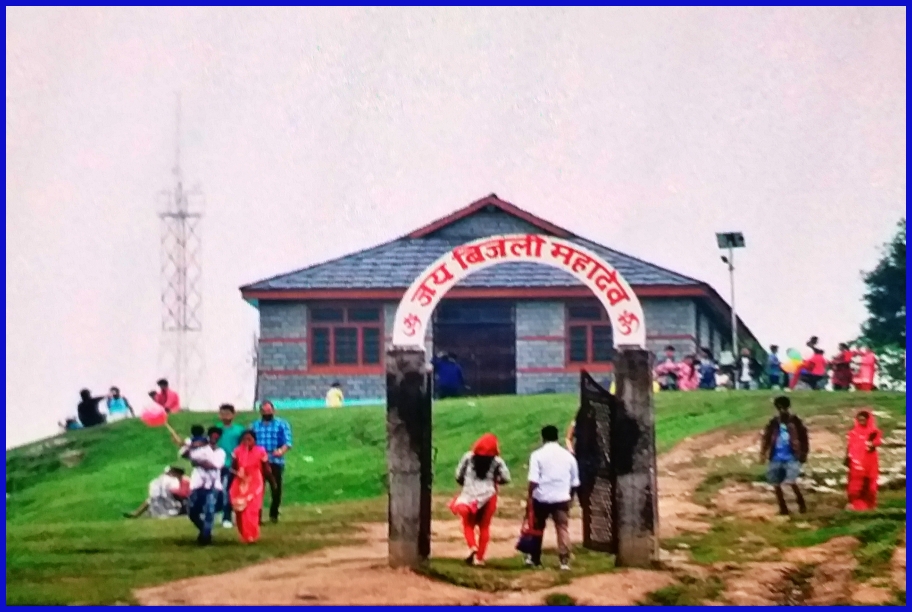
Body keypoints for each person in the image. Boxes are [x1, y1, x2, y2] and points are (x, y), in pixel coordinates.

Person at [448, 433, 510, 566]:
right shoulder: (497, 461)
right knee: (484, 527)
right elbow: (506, 478)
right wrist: (495, 480)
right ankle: (480, 558)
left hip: (470, 496)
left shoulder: (468, 457)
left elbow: (458, 475)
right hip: (488, 496)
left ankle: (472, 546)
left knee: (467, 524)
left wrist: (465, 482)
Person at [526, 425, 580, 570]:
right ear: (557, 437)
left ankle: (535, 558)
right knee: (562, 528)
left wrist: (530, 496)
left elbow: (533, 480)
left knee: (538, 528)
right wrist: (571, 497)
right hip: (562, 497)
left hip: (541, 497)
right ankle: (564, 561)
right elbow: (575, 482)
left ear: (543, 438)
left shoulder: (537, 455)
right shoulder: (568, 456)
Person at [759, 396, 809, 515]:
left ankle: (801, 503)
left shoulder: (795, 421)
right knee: (776, 483)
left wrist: (803, 453)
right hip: (776, 455)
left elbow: (803, 438)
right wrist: (763, 452)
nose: (782, 410)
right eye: (780, 408)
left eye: (783, 408)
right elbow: (766, 437)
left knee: (791, 481)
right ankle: (783, 507)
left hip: (791, 455)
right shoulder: (774, 422)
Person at [179, 425, 225, 545]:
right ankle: (205, 530)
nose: (214, 438)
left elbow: (216, 465)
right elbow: (186, 455)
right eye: (212, 436)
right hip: (198, 484)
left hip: (213, 485)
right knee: (192, 511)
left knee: (210, 509)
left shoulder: (221, 452)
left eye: (217, 436)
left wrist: (200, 462)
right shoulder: (200, 448)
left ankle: (205, 536)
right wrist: (189, 446)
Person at [229, 430, 277, 543]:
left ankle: (251, 535)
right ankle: (244, 534)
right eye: (244, 439)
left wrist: (272, 482)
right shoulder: (237, 451)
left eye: (249, 439)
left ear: (254, 440)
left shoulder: (260, 451)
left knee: (252, 509)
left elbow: (266, 468)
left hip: (255, 482)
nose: (246, 442)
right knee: (239, 510)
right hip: (240, 482)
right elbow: (233, 467)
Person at [251, 401, 293, 524]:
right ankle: (256, 516)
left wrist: (281, 451)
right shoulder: (254, 426)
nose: (267, 413)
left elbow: (288, 442)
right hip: (258, 461)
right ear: (261, 412)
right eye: (265, 411)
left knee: (276, 488)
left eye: (269, 411)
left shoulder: (281, 424)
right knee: (257, 489)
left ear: (273, 411)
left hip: (275, 460)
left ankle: (273, 514)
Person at [215, 404, 246, 529]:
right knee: (219, 492)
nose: (225, 416)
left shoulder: (239, 430)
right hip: (218, 465)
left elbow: (243, 447)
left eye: (228, 413)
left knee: (230, 491)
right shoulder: (216, 429)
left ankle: (228, 517)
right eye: (222, 413)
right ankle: (219, 515)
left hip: (233, 465)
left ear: (233, 414)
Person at [845, 410, 882, 511]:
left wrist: (871, 444)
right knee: (854, 485)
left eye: (863, 420)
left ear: (868, 420)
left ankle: (868, 505)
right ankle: (854, 504)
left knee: (869, 486)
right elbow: (850, 446)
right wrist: (848, 458)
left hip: (869, 463)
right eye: (859, 420)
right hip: (855, 463)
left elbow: (877, 442)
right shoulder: (853, 432)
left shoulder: (874, 432)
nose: (861, 422)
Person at [124, 466, 190, 519]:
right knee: (152, 499)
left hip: (183, 502)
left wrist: (174, 493)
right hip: (174, 501)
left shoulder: (185, 481)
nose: (167, 475)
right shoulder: (171, 482)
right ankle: (136, 513)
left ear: (177, 473)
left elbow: (185, 494)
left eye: (170, 473)